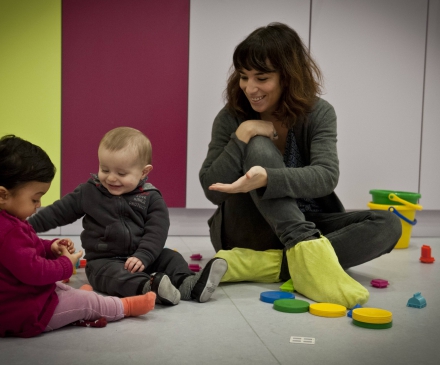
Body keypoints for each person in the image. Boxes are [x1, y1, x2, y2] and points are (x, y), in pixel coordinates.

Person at [199, 22, 402, 309]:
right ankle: (306, 257)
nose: (250, 88)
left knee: (388, 224)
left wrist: (268, 177)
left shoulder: (319, 113)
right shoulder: (231, 116)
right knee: (258, 143)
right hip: (246, 231)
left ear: (288, 76)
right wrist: (241, 136)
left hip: (307, 223)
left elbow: (326, 176)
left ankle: (268, 264)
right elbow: (212, 189)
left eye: (262, 78)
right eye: (244, 77)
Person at [29, 127, 227, 306]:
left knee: (171, 257)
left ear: (143, 172)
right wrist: (27, 226)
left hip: (144, 257)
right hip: (104, 261)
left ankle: (189, 285)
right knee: (113, 276)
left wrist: (144, 255)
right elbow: (58, 212)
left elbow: (157, 230)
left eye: (121, 173)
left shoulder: (151, 197)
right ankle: (150, 288)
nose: (111, 177)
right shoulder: (89, 192)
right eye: (104, 169)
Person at [0, 135, 156, 338]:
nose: (38, 205)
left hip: (16, 300)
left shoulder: (8, 220)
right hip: (26, 315)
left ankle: (76, 297)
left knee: (59, 287)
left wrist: (50, 247)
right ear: (3, 195)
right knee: (86, 303)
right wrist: (66, 264)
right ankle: (124, 307)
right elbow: (34, 271)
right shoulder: (9, 230)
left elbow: (24, 249)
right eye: (35, 199)